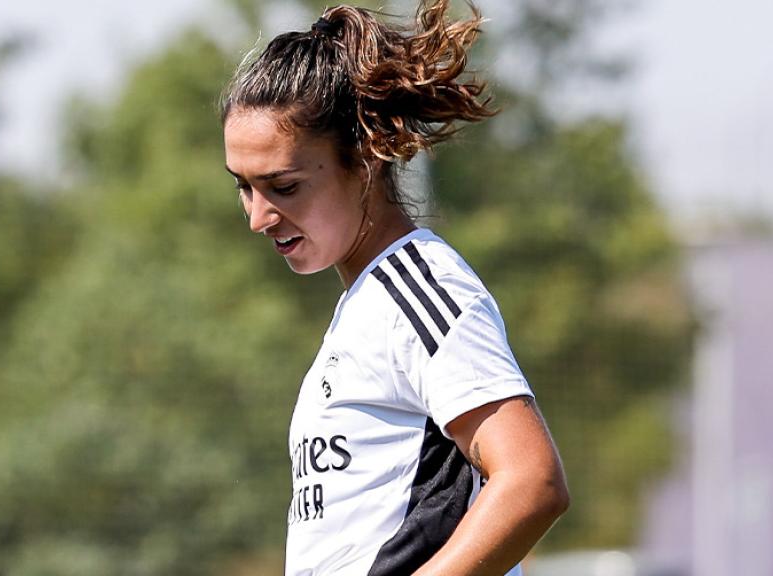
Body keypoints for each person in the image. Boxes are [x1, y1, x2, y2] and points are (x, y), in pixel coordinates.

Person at [221, 1, 569, 574]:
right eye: (245, 187)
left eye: (282, 186)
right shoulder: (365, 307)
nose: (259, 217)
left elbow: (532, 480)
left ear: (366, 157)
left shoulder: (418, 290)